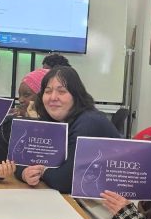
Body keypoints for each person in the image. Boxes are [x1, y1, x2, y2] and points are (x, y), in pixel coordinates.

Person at [15, 66, 120, 194]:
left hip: (109, 204)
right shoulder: (54, 120)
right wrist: (25, 173)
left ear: (76, 95)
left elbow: (65, 181)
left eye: (62, 91)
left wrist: (43, 171)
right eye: (47, 91)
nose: (53, 97)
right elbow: (21, 158)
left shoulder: (89, 122)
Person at [0, 67, 47, 163]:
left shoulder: (61, 127)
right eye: (19, 95)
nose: (20, 100)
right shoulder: (7, 125)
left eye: (27, 95)